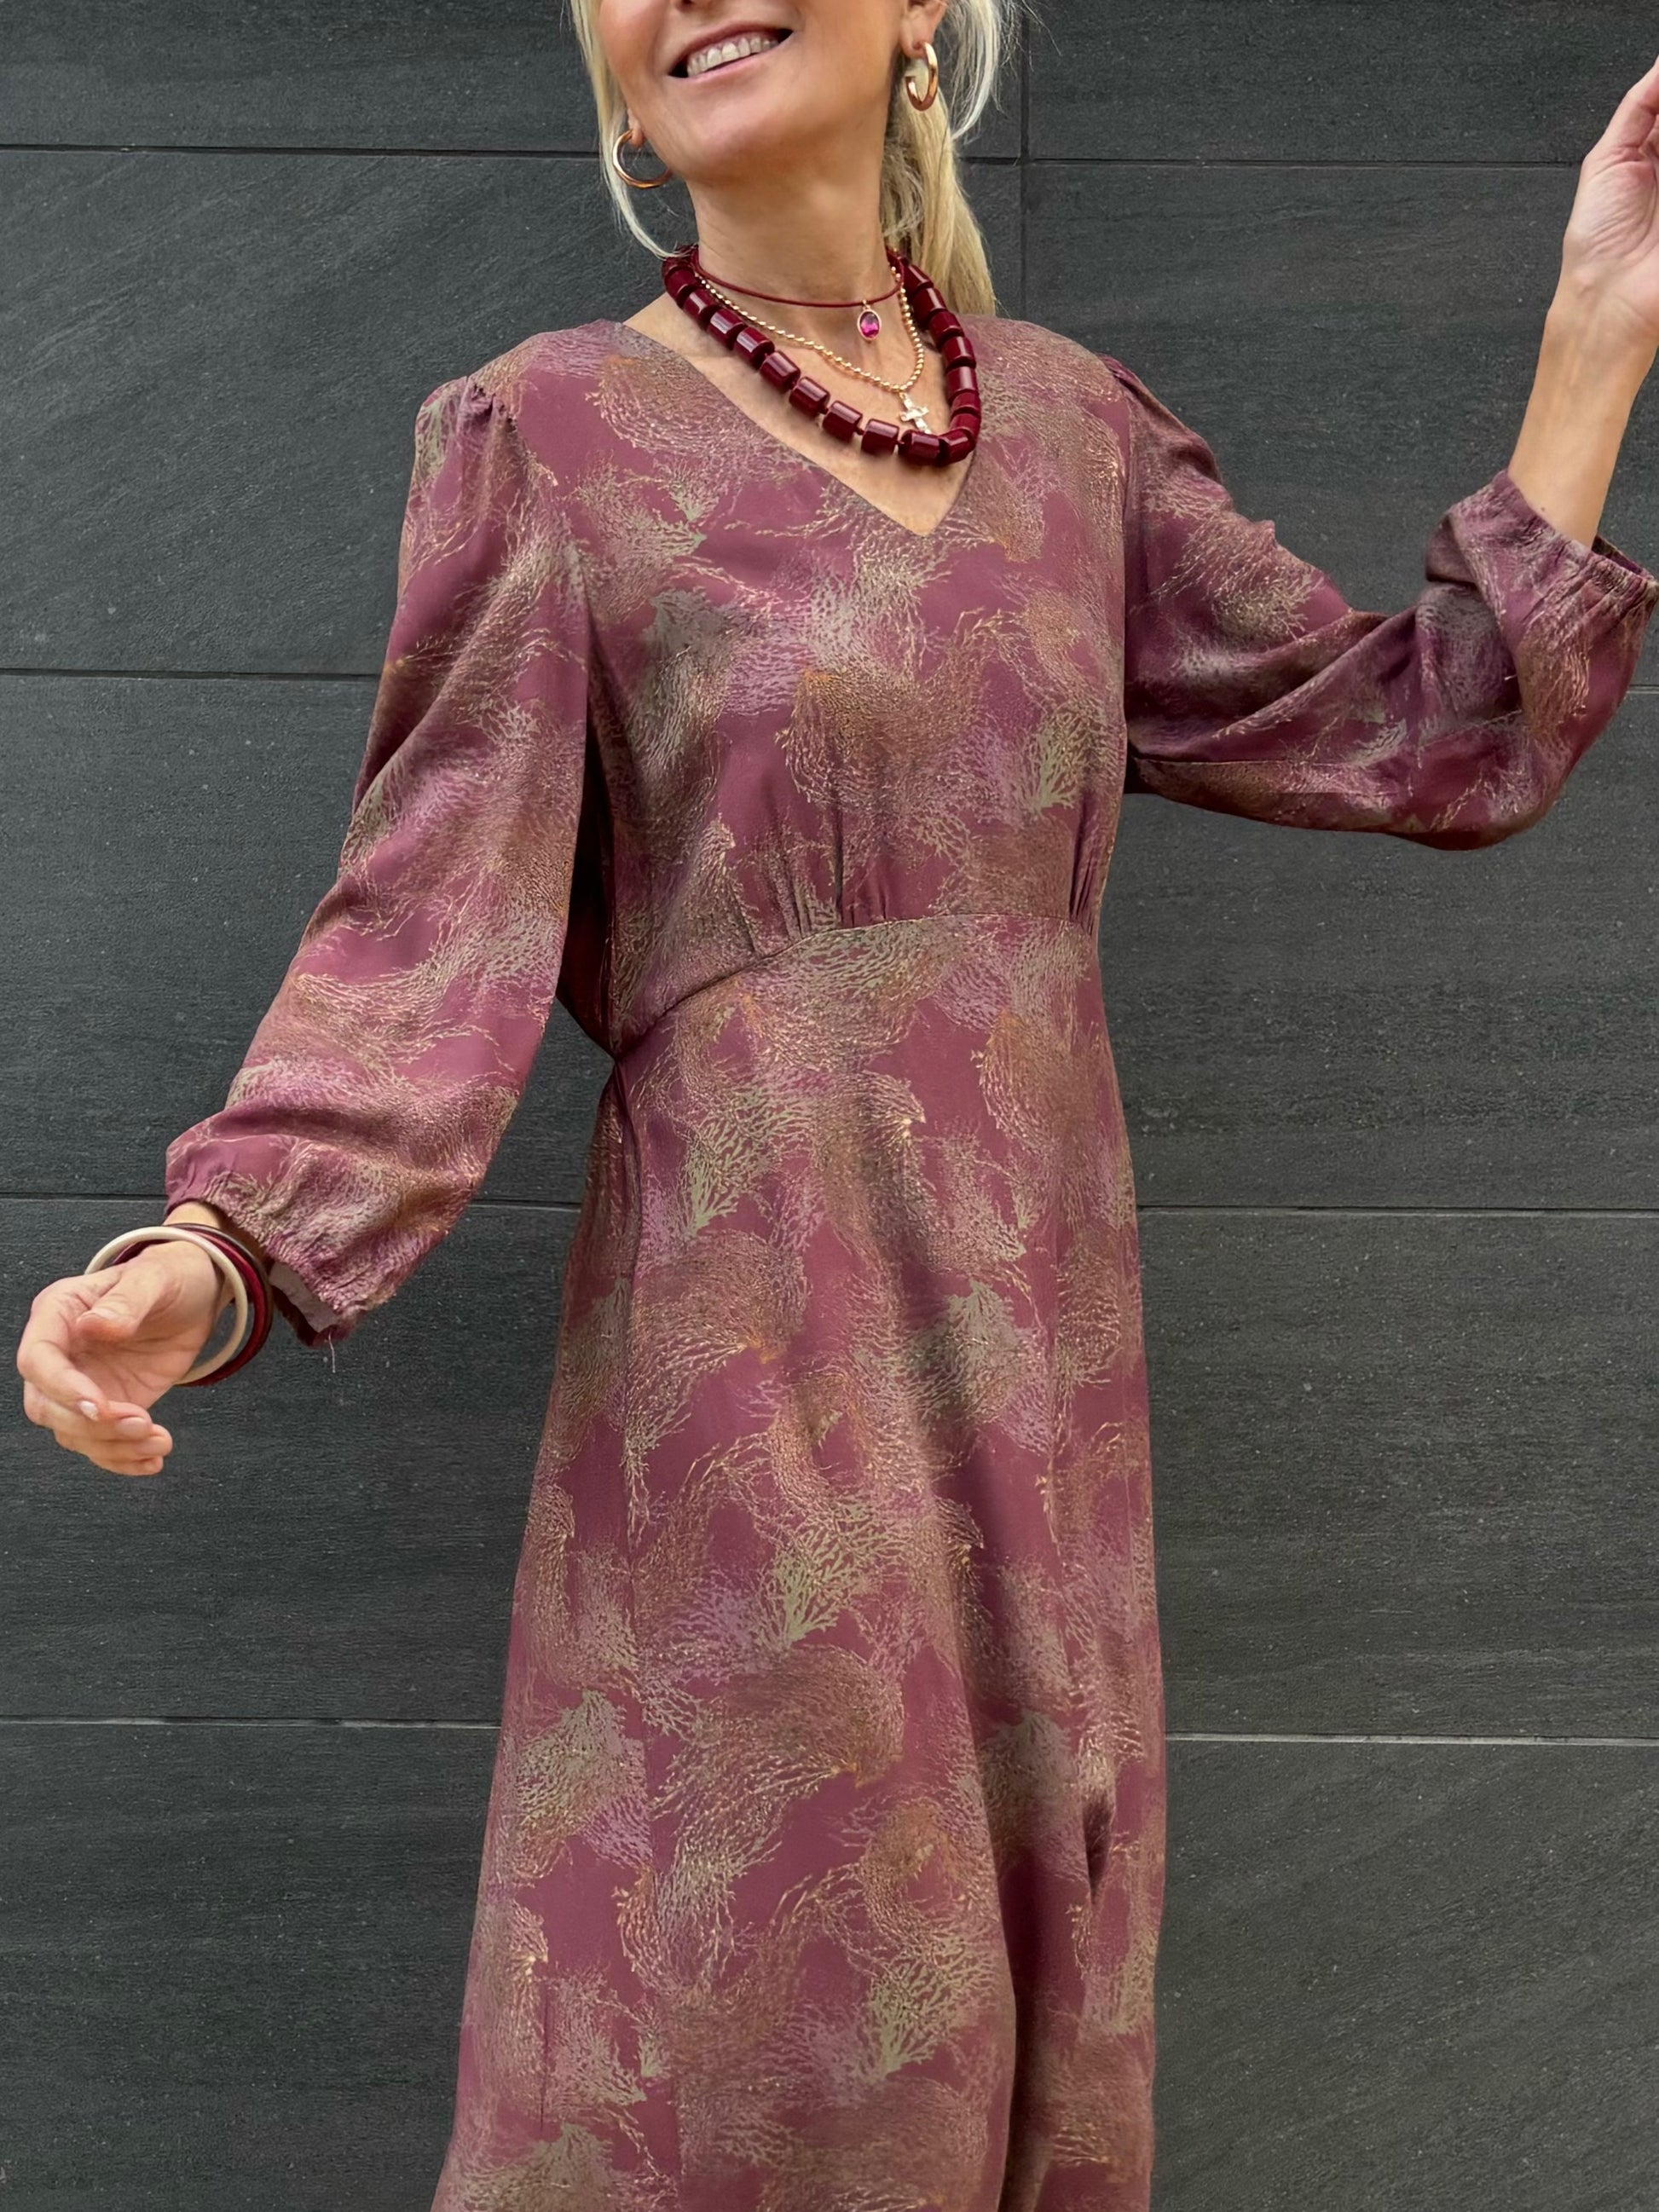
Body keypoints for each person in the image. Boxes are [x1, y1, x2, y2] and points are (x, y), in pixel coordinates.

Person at [16, 4, 1659, 2205]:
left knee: (1025, 2044)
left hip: (1042, 1399)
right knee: (785, 2036)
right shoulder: (550, 438)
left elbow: (1437, 730)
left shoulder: (1074, 441)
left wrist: (1595, 324)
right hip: (751, 1395)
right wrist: (210, 1257)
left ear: (923, 17)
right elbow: (423, 931)